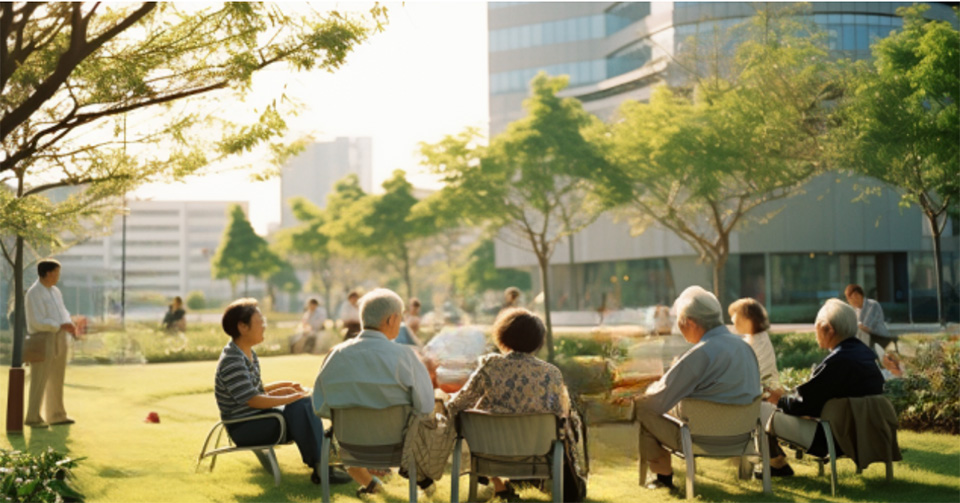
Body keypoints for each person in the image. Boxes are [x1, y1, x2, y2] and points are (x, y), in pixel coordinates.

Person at [313, 288, 451, 498]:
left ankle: (373, 484)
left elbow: (320, 407)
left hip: (351, 447)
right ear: (392, 319)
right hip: (399, 448)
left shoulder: (336, 356)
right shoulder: (405, 356)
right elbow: (425, 407)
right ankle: (423, 479)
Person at [447, 308, 588, 501]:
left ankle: (499, 485)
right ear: (538, 341)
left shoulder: (490, 368)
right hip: (537, 454)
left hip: (489, 454)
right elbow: (560, 416)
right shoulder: (551, 373)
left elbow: (457, 404)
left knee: (483, 411)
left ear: (503, 335)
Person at [632, 286, 760, 490]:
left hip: (700, 439)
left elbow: (657, 401)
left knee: (643, 407)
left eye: (679, 322)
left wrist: (645, 391)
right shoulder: (745, 347)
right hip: (742, 437)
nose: (678, 328)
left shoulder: (701, 354)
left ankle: (663, 477)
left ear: (690, 323)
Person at [214, 298, 349, 486]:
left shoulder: (246, 353)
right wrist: (291, 397)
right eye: (261, 322)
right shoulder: (232, 361)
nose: (264, 326)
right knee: (300, 404)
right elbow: (253, 400)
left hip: (259, 420)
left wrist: (286, 387)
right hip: (246, 427)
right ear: (243, 327)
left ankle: (325, 462)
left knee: (302, 402)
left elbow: (257, 390)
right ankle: (323, 466)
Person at [765, 299, 885, 473]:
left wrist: (780, 399)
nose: (815, 334)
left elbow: (803, 404)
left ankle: (778, 467)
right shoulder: (865, 355)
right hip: (866, 435)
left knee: (767, 415)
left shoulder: (837, 362)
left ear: (828, 329)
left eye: (817, 328)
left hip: (834, 439)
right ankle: (778, 465)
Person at [24, 259, 78, 428]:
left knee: (57, 377)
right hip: (42, 338)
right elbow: (37, 321)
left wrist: (68, 323)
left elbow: (63, 311)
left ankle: (56, 415)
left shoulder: (55, 291)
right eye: (56, 273)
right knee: (39, 378)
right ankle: (33, 417)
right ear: (47, 273)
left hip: (59, 337)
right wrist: (59, 325)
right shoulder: (33, 293)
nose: (58, 276)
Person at [728, 298, 781, 391]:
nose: (734, 326)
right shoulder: (756, 338)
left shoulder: (758, 341)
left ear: (748, 319)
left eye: (737, 322)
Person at [844, 284, 894, 350]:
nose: (850, 302)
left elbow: (867, 327)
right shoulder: (855, 310)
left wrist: (854, 324)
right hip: (868, 344)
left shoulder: (872, 305)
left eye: (850, 299)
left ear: (857, 295)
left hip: (880, 341)